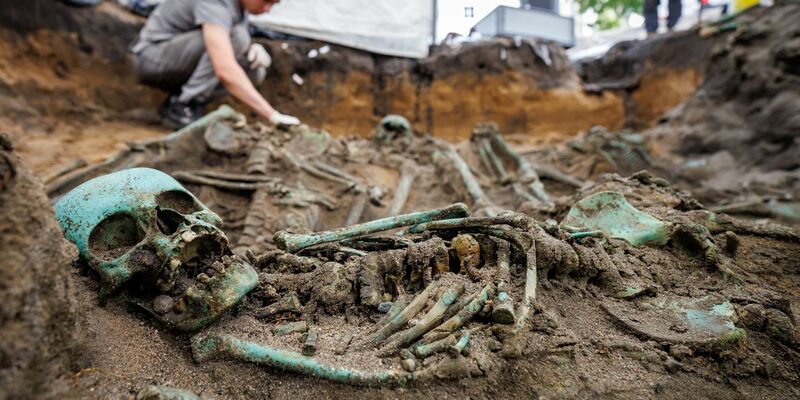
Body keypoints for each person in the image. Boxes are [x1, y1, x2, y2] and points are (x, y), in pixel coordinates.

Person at [130, 0, 300, 128]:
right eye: (266, 0)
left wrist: (251, 49)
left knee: (254, 70)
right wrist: (271, 114)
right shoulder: (216, 2)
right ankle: (183, 105)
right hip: (152, 58)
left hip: (179, 61)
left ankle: (183, 101)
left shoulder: (240, 7)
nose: (267, 8)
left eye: (273, 3)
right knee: (236, 39)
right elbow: (224, 68)